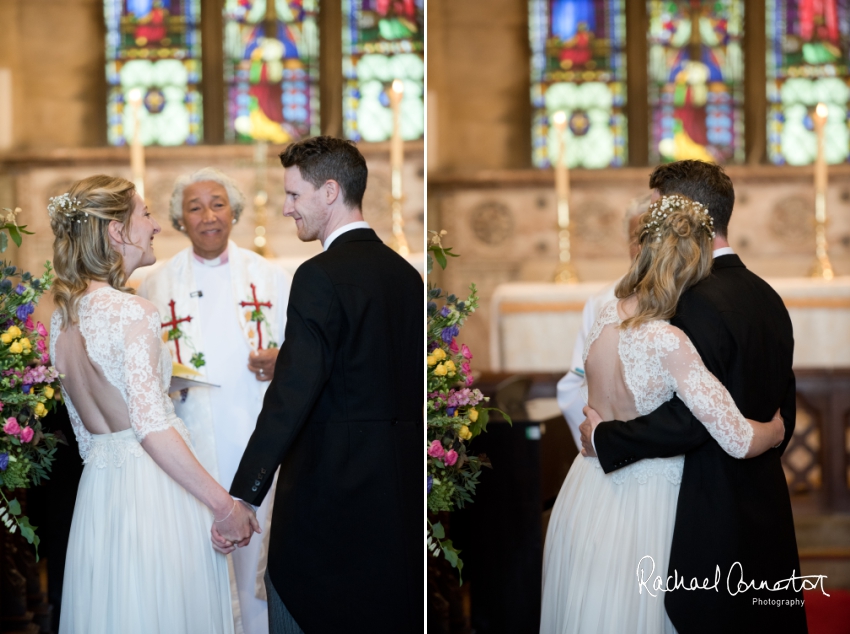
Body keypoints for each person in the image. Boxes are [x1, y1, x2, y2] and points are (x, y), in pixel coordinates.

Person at [540, 193, 786, 633]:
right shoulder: (668, 340)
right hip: (651, 501)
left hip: (588, 492)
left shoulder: (602, 321)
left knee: (595, 610)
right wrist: (774, 429)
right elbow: (737, 437)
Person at [226, 137, 422, 633]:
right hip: (397, 501)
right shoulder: (407, 276)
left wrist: (244, 495)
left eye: (294, 195)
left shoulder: (318, 276)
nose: (287, 209)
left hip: (329, 501)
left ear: (330, 191)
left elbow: (291, 398)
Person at [49, 175, 258, 634]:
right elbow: (150, 426)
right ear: (116, 232)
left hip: (100, 496)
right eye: (144, 215)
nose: (155, 226)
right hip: (154, 494)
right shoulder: (134, 311)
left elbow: (88, 436)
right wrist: (223, 506)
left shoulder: (60, 319)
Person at [138, 168, 291, 634]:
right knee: (199, 561)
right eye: (195, 206)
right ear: (178, 219)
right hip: (190, 443)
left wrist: (281, 358)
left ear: (235, 211)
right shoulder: (155, 286)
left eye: (218, 203)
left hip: (256, 435)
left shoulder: (271, 277)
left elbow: (307, 352)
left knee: (259, 562)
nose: (209, 216)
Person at [556, 194, 650, 448]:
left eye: (651, 238)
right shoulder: (601, 302)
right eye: (636, 238)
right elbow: (575, 383)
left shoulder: (689, 296)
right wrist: (602, 439)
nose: (642, 248)